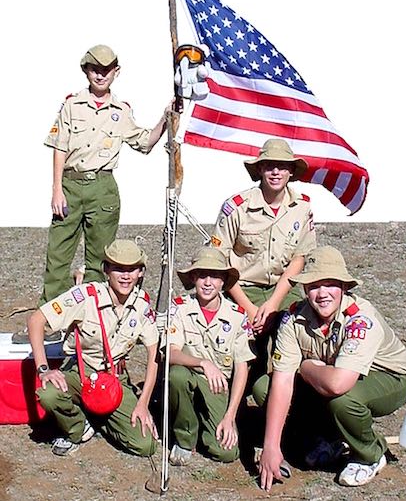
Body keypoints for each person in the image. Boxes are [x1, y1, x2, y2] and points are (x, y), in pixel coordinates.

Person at [258, 246, 406, 491]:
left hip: (388, 377)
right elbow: (282, 380)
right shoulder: (294, 319)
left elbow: (338, 384)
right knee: (263, 388)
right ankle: (328, 438)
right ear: (304, 289)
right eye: (313, 286)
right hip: (332, 374)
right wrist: (271, 446)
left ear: (344, 287)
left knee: (344, 401)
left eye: (330, 284)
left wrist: (306, 367)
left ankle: (371, 454)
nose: (322, 293)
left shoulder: (360, 318)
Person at [40, 44, 170, 306]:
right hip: (71, 185)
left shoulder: (121, 112)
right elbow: (59, 147)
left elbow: (144, 142)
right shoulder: (72, 105)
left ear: (116, 72)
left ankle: (91, 318)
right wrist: (56, 189)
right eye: (95, 70)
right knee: (58, 254)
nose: (100, 75)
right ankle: (50, 317)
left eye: (106, 70)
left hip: (103, 187)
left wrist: (165, 120)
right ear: (86, 71)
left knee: (99, 259)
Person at [27, 239, 160, 457]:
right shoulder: (86, 296)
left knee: (145, 445)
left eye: (131, 269)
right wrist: (44, 369)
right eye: (118, 268)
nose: (125, 276)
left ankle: (99, 417)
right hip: (80, 372)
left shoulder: (142, 306)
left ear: (141, 272)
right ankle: (77, 427)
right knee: (48, 393)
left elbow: (154, 354)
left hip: (114, 378)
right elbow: (36, 320)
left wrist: (143, 403)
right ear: (106, 269)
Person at [211, 138, 316, 382]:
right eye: (269, 166)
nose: (276, 172)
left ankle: (282, 394)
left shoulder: (302, 207)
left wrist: (273, 304)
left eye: (282, 166)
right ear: (259, 169)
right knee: (241, 349)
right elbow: (220, 261)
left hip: (283, 289)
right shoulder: (237, 207)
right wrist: (249, 308)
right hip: (241, 288)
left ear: (291, 171)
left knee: (295, 333)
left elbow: (299, 259)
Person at [165, 246, 255, 465]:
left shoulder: (237, 317)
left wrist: (230, 415)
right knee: (177, 376)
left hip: (218, 389)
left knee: (225, 453)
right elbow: (170, 352)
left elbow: (242, 367)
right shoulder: (179, 308)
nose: (207, 282)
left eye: (214, 276)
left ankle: (207, 423)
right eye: (202, 275)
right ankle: (185, 437)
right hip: (189, 377)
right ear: (193, 278)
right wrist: (203, 363)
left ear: (223, 281)